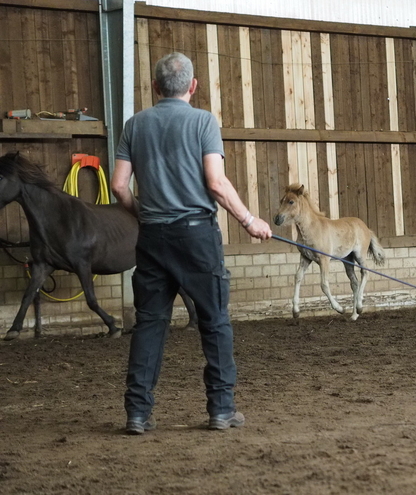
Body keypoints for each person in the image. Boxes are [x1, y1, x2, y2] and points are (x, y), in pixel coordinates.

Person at [111, 52, 271, 435]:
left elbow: (119, 186)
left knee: (149, 324)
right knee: (214, 321)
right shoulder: (203, 122)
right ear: (193, 86)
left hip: (152, 237)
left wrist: (144, 214)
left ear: (154, 87)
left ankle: (137, 414)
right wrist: (249, 220)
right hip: (197, 236)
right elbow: (216, 183)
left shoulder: (134, 125)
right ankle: (221, 409)